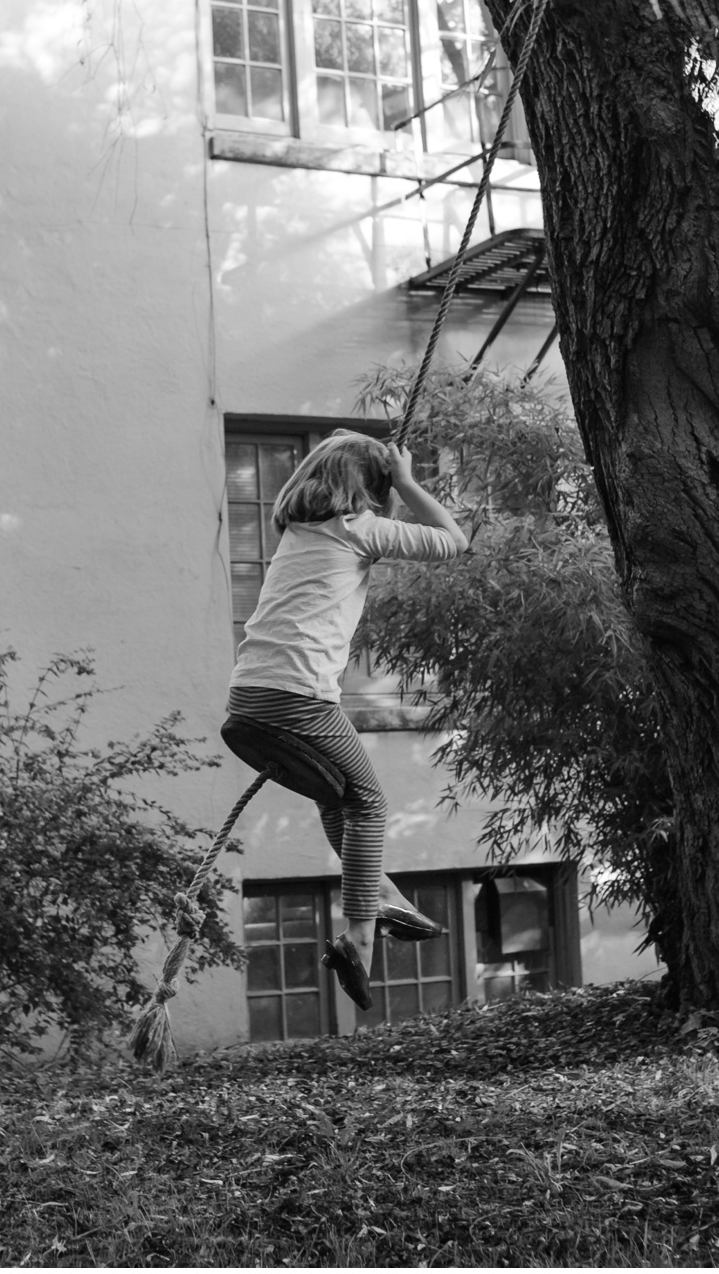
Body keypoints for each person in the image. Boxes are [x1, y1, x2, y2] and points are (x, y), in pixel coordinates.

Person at [228, 431, 468, 1012]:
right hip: (300, 701)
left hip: (247, 704)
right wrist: (408, 482)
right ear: (366, 489)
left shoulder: (296, 529)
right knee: (370, 804)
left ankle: (384, 897)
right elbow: (453, 542)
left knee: (339, 800)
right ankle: (360, 936)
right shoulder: (359, 529)